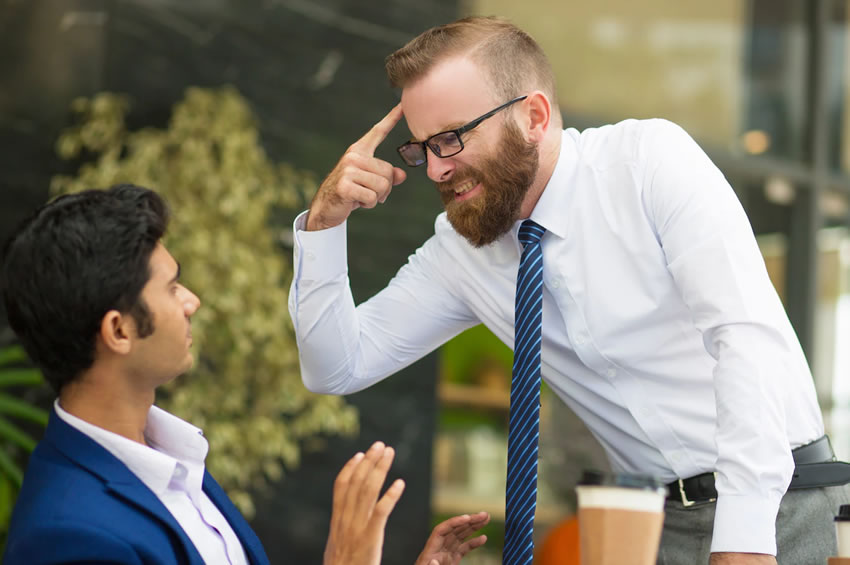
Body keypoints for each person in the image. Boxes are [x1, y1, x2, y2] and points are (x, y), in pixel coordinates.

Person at [288, 16, 850, 565]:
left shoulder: (647, 162)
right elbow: (337, 367)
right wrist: (324, 224)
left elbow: (743, 337)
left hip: (783, 507)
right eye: (420, 148)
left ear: (534, 116)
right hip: (651, 530)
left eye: (452, 139)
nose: (436, 169)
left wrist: (745, 537)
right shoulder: (460, 254)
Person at [0, 184, 490, 565]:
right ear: (119, 330)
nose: (192, 302)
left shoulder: (171, 459)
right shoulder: (68, 536)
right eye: (171, 288)